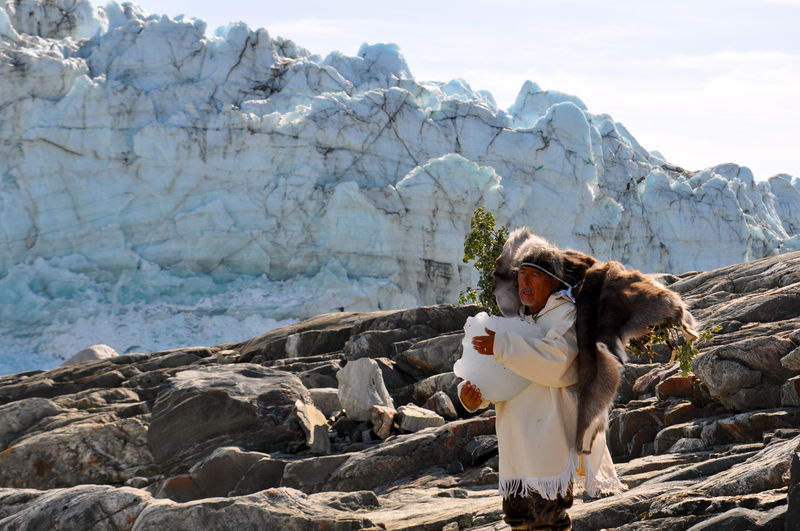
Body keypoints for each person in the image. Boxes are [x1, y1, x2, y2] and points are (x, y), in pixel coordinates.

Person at [459, 241, 622, 530]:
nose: (525, 281)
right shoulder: (516, 320)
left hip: (549, 441)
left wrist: (502, 346)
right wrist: (473, 398)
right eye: (522, 274)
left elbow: (557, 365)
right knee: (518, 520)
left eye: (535, 275)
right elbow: (492, 373)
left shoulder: (566, 316)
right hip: (516, 445)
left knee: (548, 522)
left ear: (554, 281)